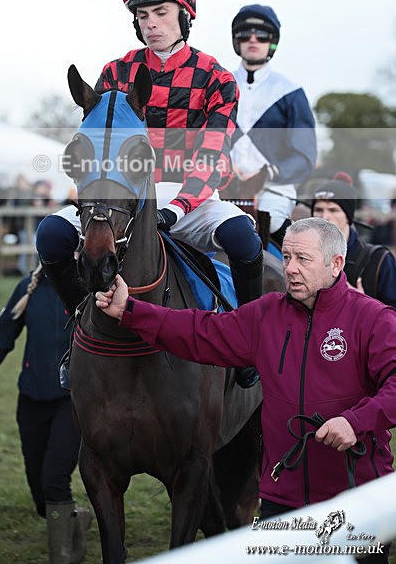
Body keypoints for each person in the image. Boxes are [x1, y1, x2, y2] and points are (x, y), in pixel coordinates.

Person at [96, 217, 396, 564]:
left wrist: (355, 422)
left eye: (303, 259)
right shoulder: (266, 314)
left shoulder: (374, 319)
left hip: (355, 499)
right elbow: (200, 332)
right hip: (282, 500)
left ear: (336, 264)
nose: (291, 269)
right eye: (285, 257)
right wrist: (129, 311)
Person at [37, 0, 264, 388]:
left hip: (188, 195)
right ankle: (79, 328)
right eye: (143, 16)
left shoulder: (217, 78)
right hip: (125, 193)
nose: (151, 23)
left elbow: (212, 155)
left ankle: (249, 340)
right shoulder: (115, 73)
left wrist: (177, 208)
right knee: (50, 236)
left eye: (160, 12)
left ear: (185, 17)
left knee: (243, 238)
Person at [0, 264, 90, 564]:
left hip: (73, 400)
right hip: (31, 397)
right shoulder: (29, 288)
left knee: (54, 479)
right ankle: (75, 518)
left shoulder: (90, 289)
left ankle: (64, 556)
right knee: (40, 492)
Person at [228, 4, 317, 248]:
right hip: (223, 186)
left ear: (272, 42)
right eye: (245, 34)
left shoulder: (291, 92)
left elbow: (305, 157)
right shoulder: (219, 84)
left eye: (262, 35)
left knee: (271, 223)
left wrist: (267, 174)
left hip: (273, 190)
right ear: (237, 41)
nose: (253, 40)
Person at [311, 172, 396, 308]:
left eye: (333, 210)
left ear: (348, 216)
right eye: (318, 209)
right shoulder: (303, 256)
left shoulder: (378, 260)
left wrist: (363, 303)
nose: (324, 216)